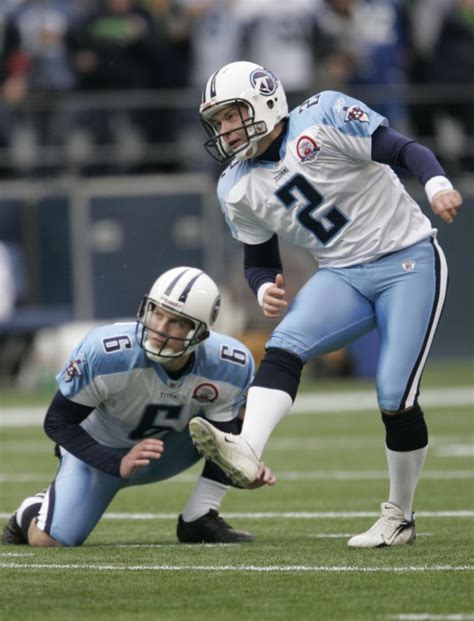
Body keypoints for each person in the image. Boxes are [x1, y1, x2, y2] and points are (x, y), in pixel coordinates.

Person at [188, 60, 463, 548]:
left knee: (394, 394)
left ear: (264, 101)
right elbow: (258, 259)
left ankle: (400, 516)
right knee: (284, 347)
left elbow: (404, 148)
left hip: (408, 259)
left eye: (233, 116)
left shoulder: (324, 116)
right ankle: (248, 448)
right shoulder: (237, 184)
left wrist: (437, 181)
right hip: (342, 274)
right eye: (220, 122)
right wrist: (260, 287)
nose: (227, 130)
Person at [2, 266, 275, 548]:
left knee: (246, 416)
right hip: (100, 448)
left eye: (177, 322)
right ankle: (32, 507)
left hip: (170, 447)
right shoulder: (106, 353)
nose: (160, 329)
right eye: (157, 313)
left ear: (200, 333)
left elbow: (224, 433)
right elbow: (58, 422)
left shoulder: (229, 363)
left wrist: (241, 462)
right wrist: (116, 462)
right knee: (48, 541)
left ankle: (200, 516)